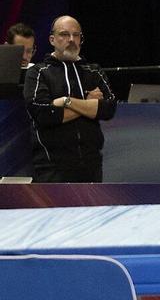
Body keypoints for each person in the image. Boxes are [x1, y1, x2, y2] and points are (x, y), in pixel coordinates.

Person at [21, 16, 117, 182]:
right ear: (52, 39)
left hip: (91, 166)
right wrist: (88, 105)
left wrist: (66, 101)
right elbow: (43, 113)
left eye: (76, 35)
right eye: (64, 34)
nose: (71, 40)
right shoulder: (38, 72)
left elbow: (108, 108)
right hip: (52, 167)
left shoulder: (93, 71)